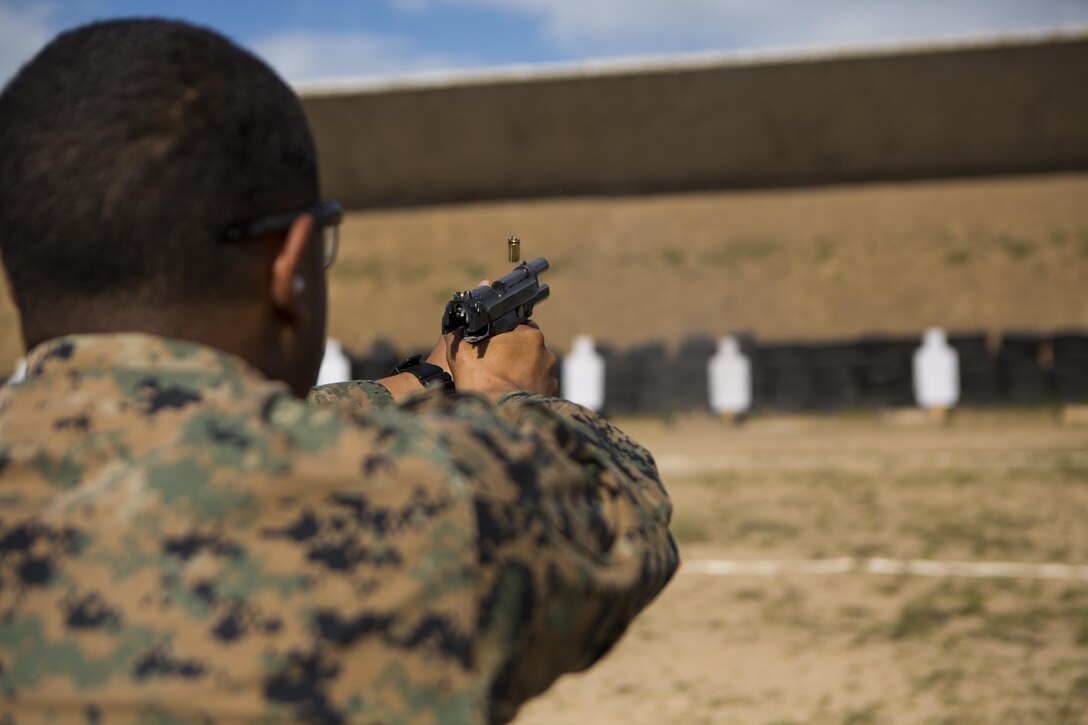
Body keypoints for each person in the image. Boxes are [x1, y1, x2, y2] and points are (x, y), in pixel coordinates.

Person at [0, 18, 678, 724]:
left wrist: (430, 376)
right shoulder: (423, 512)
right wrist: (510, 396)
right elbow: (620, 515)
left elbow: (184, 425)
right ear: (290, 269)